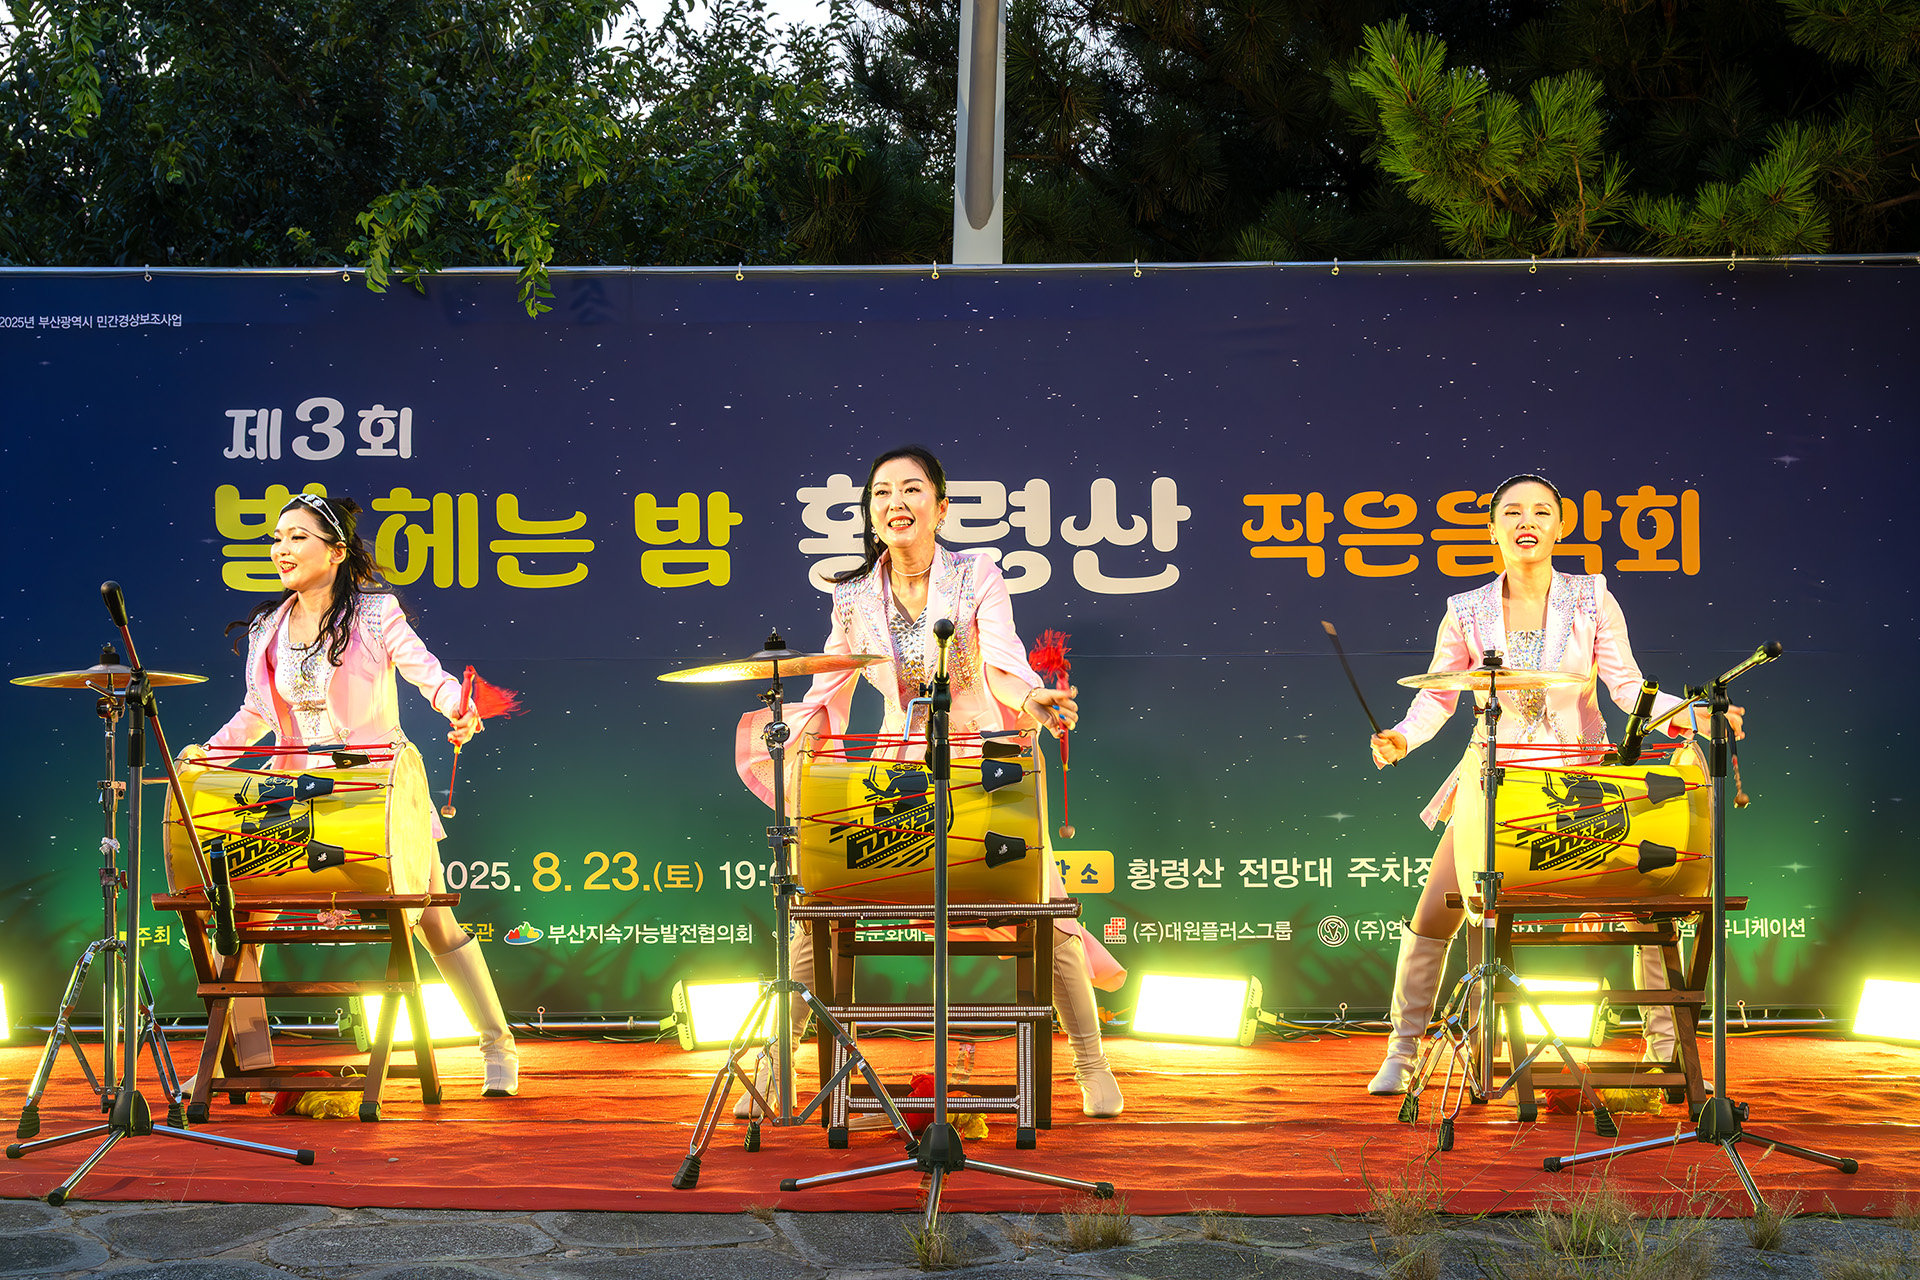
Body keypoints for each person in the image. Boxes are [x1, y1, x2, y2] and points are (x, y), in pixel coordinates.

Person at [734, 445, 1127, 1120]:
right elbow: (829, 685)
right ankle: (777, 1063)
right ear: (870, 512)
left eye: (912, 489)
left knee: (1047, 908)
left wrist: (1031, 699)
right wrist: (793, 743)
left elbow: (1001, 663)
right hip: (898, 776)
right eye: (882, 492)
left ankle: (1092, 1064)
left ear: (940, 507)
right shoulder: (853, 595)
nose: (896, 502)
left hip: (985, 768)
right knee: (820, 903)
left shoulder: (976, 574)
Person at [1364, 474, 1744, 1095]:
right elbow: (1438, 696)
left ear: (1560, 527)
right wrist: (1402, 738)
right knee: (1435, 912)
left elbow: (1628, 687)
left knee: (1649, 905)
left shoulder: (1593, 597)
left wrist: (1693, 713)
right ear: (1492, 529)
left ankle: (1667, 1047)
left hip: (1583, 781)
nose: (1527, 522)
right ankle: (1402, 1052)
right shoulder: (1465, 610)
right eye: (1513, 512)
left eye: (1542, 512)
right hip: (1496, 783)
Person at [184, 493, 519, 1097]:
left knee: (434, 920)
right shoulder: (267, 628)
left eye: (298, 537)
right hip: (294, 795)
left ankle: (499, 1047)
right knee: (243, 917)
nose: (282, 549)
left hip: (376, 794)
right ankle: (249, 1062)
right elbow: (256, 713)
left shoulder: (374, 614)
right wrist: (204, 755)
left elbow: (430, 675)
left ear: (336, 552)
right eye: (276, 538)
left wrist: (459, 707)